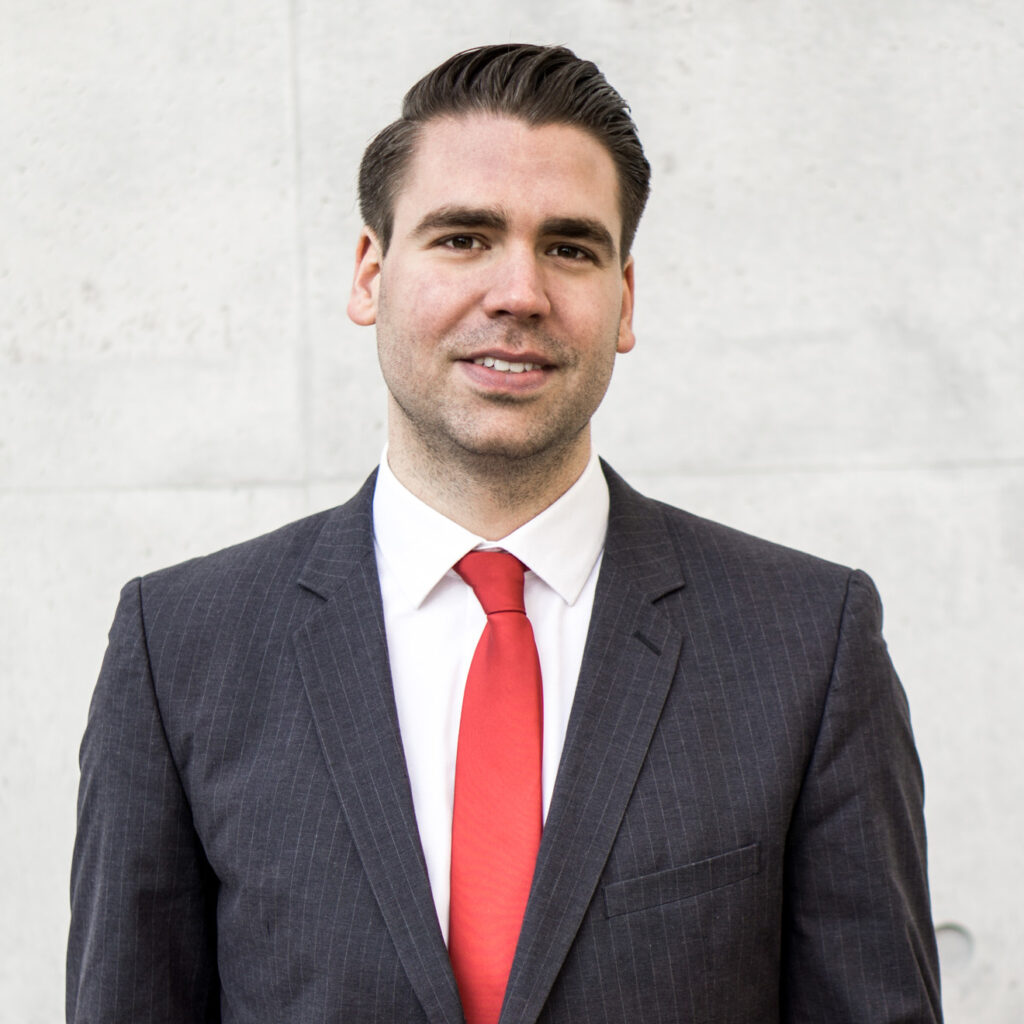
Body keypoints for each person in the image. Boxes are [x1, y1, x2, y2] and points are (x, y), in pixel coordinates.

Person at [67, 43, 942, 1024]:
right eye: (463, 238)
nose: (519, 291)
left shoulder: (806, 641)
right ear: (370, 276)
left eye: (569, 248)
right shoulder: (180, 648)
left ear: (624, 299)